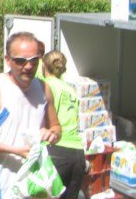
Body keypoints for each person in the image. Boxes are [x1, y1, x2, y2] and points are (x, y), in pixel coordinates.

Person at [0, 32, 61, 199]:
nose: (28, 66)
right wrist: (13, 150)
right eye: (21, 61)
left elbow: (56, 127)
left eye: (34, 60)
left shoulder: (44, 89)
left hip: (32, 188)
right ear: (8, 60)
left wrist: (52, 134)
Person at [42, 51, 85, 199]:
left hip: (56, 148)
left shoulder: (46, 86)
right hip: (78, 152)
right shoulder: (71, 89)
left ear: (43, 66)